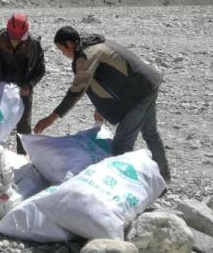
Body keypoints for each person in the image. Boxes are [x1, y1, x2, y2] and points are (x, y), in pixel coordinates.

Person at [34, 26, 171, 182]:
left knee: (121, 145)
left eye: (61, 49)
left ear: (69, 44)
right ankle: (163, 178)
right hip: (147, 84)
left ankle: (123, 187)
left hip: (137, 94)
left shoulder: (87, 55)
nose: (63, 54)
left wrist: (51, 118)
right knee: (151, 133)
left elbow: (77, 90)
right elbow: (101, 79)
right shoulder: (92, 44)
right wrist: (100, 107)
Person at [0, 13, 45, 154]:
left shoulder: (33, 44)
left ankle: (22, 158)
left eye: (19, 37)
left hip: (23, 91)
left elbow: (40, 69)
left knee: (23, 127)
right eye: (13, 37)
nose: (16, 40)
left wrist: (29, 85)